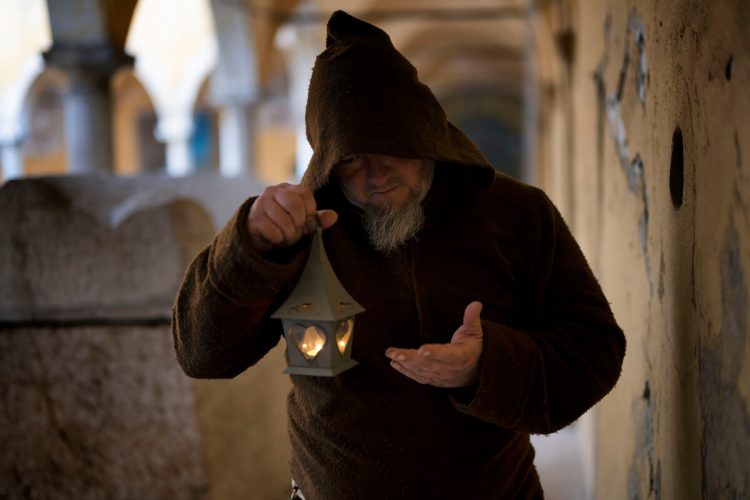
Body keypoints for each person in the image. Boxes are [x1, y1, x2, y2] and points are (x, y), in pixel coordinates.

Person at [172, 10, 626, 500]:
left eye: (391, 147)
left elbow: (594, 350)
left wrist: (488, 367)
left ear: (423, 135)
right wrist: (249, 248)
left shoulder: (515, 213)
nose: (375, 175)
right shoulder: (298, 230)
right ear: (327, 159)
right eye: (350, 158)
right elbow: (201, 354)